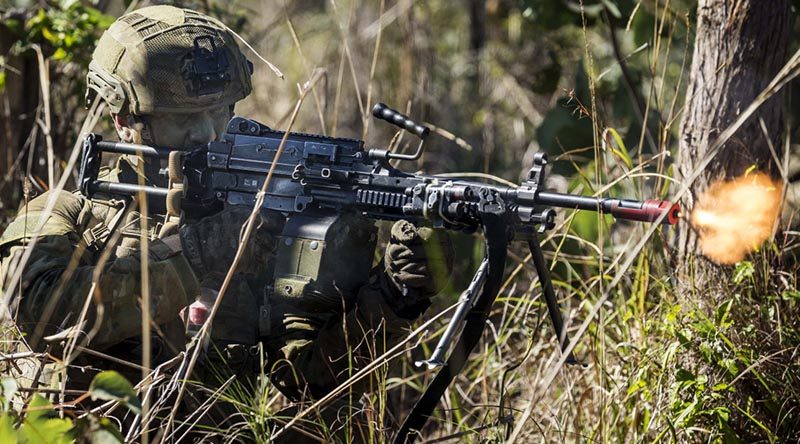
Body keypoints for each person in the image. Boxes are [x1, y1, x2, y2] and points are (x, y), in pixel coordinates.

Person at [0, 5, 452, 441]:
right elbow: (37, 312)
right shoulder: (68, 211)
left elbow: (314, 378)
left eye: (219, 112)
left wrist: (394, 296)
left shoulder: (251, 221)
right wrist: (194, 256)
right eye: (183, 119)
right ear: (122, 118)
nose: (207, 134)